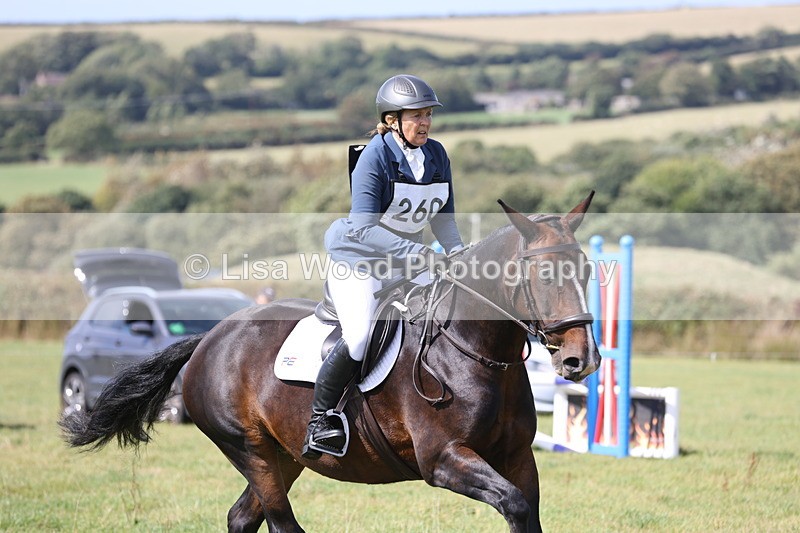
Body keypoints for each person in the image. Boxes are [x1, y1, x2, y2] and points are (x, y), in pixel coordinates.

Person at [302, 74, 465, 459]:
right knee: (359, 335)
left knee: (453, 309)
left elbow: (443, 219)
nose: (424, 122)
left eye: (428, 115)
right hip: (359, 261)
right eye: (416, 116)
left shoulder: (437, 154)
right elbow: (362, 228)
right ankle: (320, 421)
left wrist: (458, 255)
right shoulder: (375, 156)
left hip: (409, 260)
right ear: (392, 120)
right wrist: (419, 255)